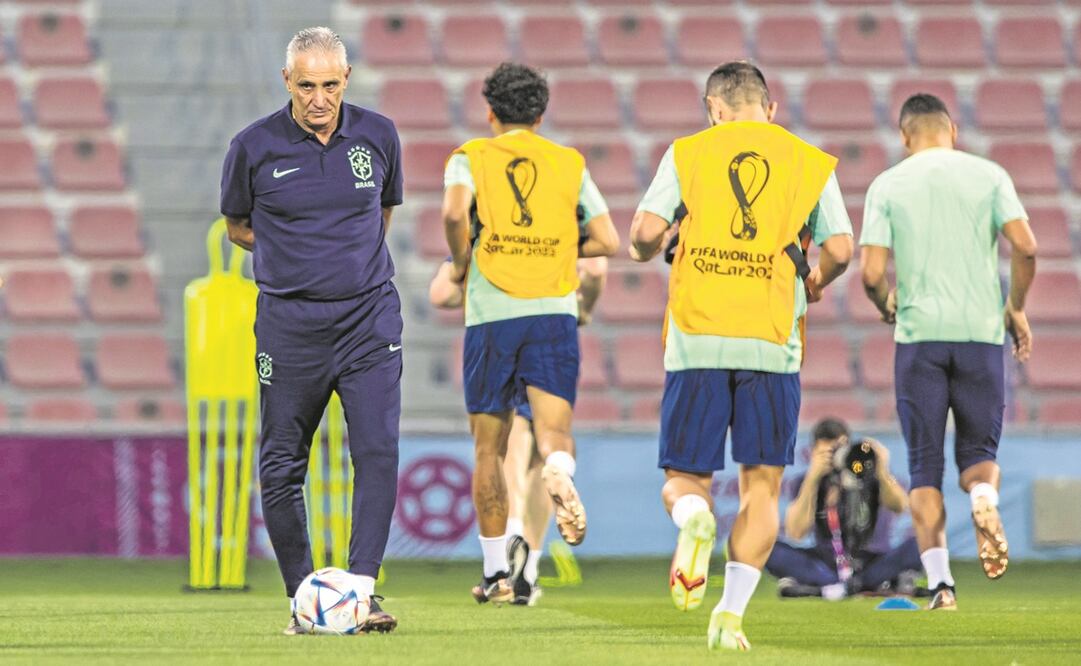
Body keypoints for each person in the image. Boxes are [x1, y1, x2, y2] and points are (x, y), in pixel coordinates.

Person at [630, 61, 853, 651]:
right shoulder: (808, 161)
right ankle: (729, 617)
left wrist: (657, 244)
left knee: (684, 479)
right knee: (762, 487)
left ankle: (693, 520)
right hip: (772, 342)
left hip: (697, 336)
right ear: (769, 108)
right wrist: (815, 280)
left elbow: (643, 233)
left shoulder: (687, 152)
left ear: (714, 109)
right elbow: (841, 247)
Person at [219, 27, 403, 634]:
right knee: (280, 462)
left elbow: (381, 214)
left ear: (346, 79)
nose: (319, 98)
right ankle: (304, 600)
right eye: (306, 86)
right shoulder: (252, 147)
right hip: (289, 326)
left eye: (330, 85)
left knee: (375, 450)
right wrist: (295, 260)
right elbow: (238, 227)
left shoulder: (378, 135)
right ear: (286, 82)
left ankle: (363, 592)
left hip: (368, 320)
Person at [441, 62, 620, 604]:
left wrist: (460, 261)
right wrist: (562, 250)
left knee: (489, 449)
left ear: (490, 112)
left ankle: (497, 571)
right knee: (553, 434)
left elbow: (454, 214)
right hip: (553, 311)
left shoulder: (469, 156)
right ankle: (560, 474)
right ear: (541, 115)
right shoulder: (569, 162)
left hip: (494, 311)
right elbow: (607, 239)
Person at [860, 94, 1037, 611]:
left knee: (923, 466)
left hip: (919, 339)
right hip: (980, 335)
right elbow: (1025, 247)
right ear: (952, 130)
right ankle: (984, 500)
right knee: (979, 456)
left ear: (903, 136)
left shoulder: (888, 185)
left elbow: (871, 273)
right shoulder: (990, 176)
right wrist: (1016, 307)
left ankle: (941, 586)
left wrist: (885, 301)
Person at [429, 254, 608, 606]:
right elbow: (598, 268)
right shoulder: (558, 224)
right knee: (544, 457)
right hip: (553, 332)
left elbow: (440, 294)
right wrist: (581, 303)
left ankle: (509, 549)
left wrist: (480, 287)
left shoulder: (492, 231)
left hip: (503, 333)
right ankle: (530, 570)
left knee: (507, 446)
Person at [766, 418, 921, 600]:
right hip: (826, 561)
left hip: (873, 558)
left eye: (840, 451)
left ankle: (822, 588)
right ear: (813, 453)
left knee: (923, 542)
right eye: (828, 453)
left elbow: (900, 505)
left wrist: (882, 470)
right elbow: (796, 532)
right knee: (767, 548)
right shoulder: (805, 481)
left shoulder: (869, 473)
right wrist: (812, 479)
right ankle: (862, 585)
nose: (835, 458)